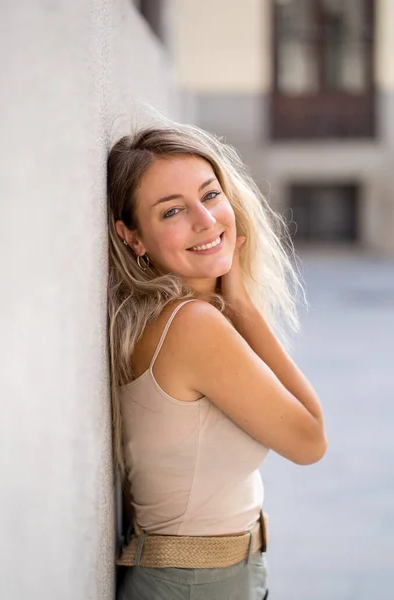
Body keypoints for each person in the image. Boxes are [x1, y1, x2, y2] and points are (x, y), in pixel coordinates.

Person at [107, 122, 327, 600]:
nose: (205, 221)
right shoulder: (192, 326)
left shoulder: (166, 318)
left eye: (210, 195)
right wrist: (244, 308)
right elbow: (310, 439)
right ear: (133, 237)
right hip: (196, 586)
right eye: (172, 211)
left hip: (201, 579)